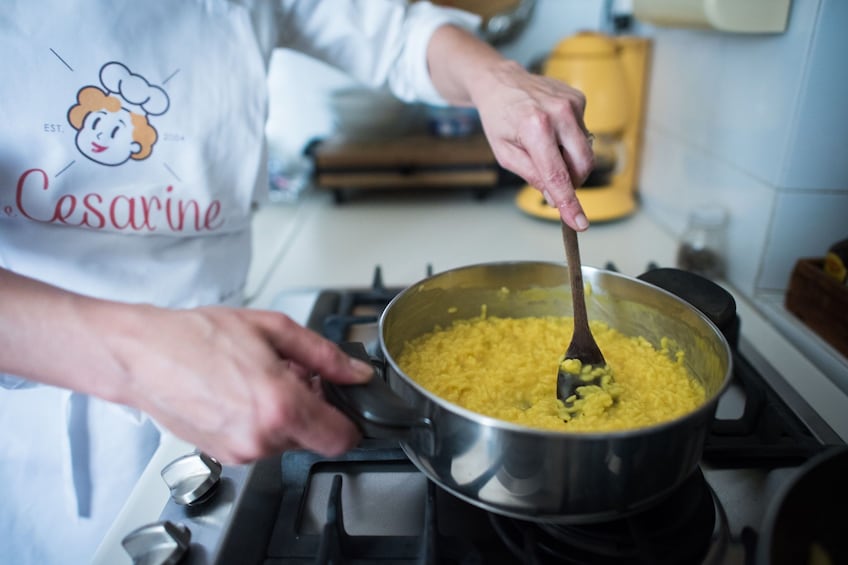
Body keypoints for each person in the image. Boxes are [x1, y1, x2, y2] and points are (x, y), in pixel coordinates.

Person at [0, 1, 594, 562]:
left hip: (233, 364)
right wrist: (132, 355)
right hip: (42, 385)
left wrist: (493, 75)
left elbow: (393, 32)